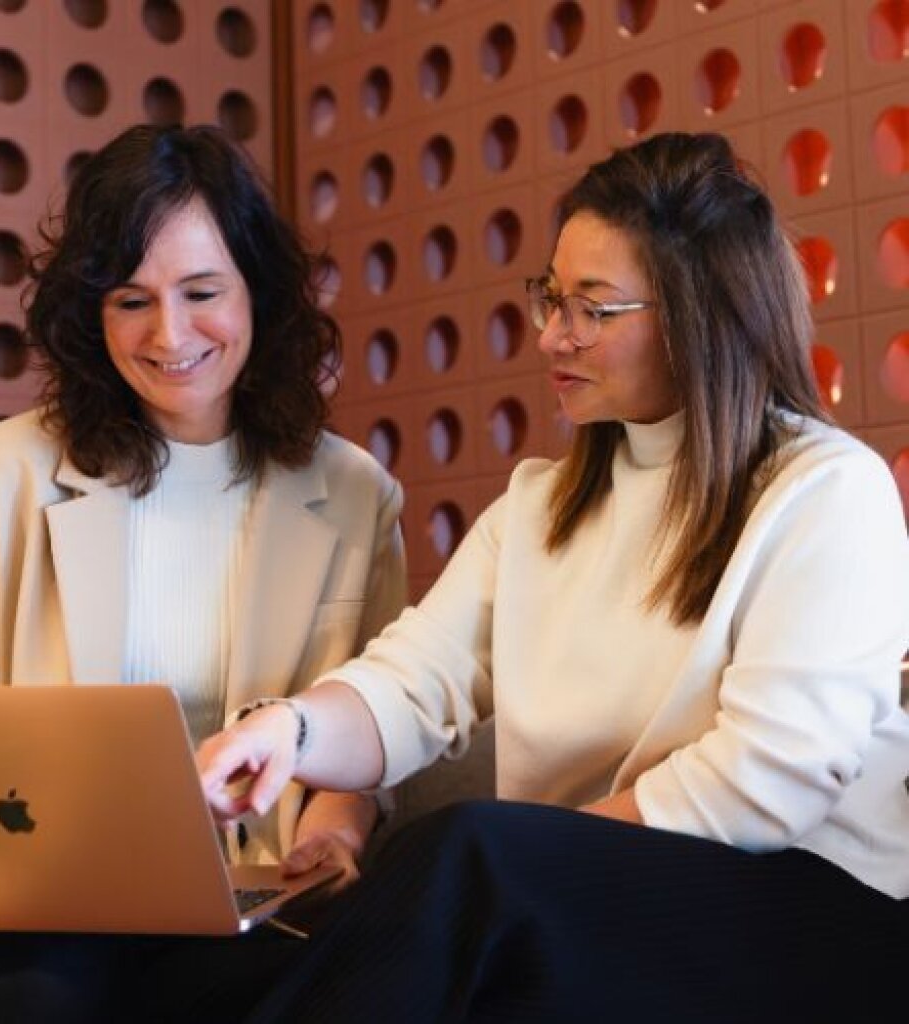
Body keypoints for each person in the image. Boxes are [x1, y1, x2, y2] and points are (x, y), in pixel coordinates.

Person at [197, 132, 909, 1023]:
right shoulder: (539, 506)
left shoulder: (825, 491)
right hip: (584, 900)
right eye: (550, 295)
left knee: (467, 857)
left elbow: (771, 781)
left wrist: (539, 853)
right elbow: (414, 680)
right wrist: (288, 731)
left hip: (816, 912)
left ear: (698, 316)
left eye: (591, 309)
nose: (550, 334)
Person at [0, 123, 406, 1024]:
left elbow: (383, 717)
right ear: (91, 314)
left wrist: (340, 823)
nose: (170, 334)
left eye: (202, 292)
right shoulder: (0, 473)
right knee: (40, 995)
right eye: (132, 300)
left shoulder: (356, 493)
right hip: (40, 904)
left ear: (259, 294)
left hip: (255, 905)